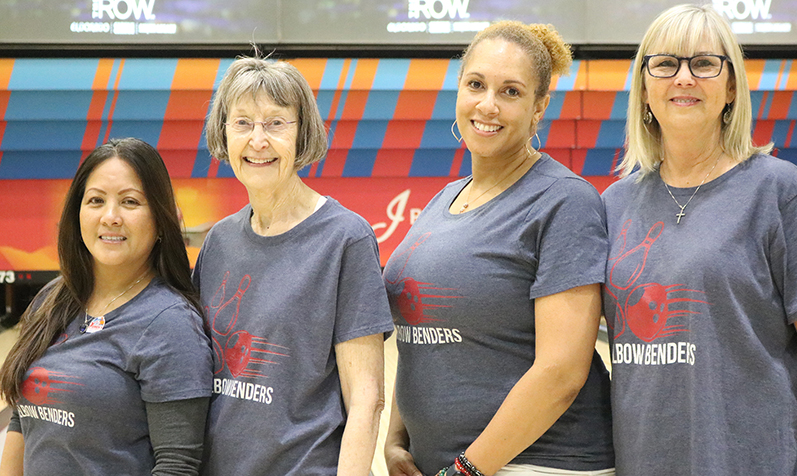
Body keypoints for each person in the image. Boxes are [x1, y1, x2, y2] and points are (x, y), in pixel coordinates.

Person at [602, 4, 797, 475]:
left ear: (731, 86)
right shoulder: (613, 204)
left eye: (704, 63)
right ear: (645, 86)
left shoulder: (779, 190)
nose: (684, 78)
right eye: (666, 64)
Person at [383, 21, 615, 476]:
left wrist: (467, 469)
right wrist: (396, 439)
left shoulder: (563, 201)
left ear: (538, 108)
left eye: (511, 92)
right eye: (476, 84)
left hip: (540, 464)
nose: (488, 105)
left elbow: (562, 373)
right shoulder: (441, 200)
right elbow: (424, 335)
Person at [195, 56, 394, 475]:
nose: (258, 140)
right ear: (223, 131)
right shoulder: (218, 242)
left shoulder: (345, 238)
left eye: (276, 123)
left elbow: (367, 398)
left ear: (302, 133)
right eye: (243, 122)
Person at [0, 138, 213, 475]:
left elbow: (177, 466)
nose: (110, 217)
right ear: (77, 213)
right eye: (96, 200)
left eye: (130, 202)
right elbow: (21, 421)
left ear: (160, 219)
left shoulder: (170, 324)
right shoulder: (52, 299)